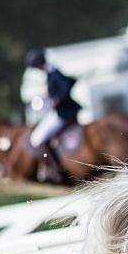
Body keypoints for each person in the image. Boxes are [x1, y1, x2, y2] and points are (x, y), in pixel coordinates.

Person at [25, 49, 81, 182]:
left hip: (64, 113)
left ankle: (55, 168)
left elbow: (67, 87)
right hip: (63, 111)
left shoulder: (53, 73)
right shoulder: (52, 72)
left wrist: (57, 99)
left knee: (37, 139)